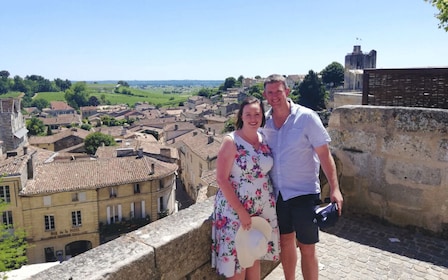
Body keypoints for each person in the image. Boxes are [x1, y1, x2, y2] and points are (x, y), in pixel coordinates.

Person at [262, 74, 344, 280]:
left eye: (278, 91)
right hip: (278, 194)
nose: (274, 96)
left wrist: (335, 188)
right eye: (270, 92)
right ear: (265, 95)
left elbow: (325, 155)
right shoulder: (265, 121)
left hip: (304, 193)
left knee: (307, 248)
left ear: (287, 92)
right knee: (286, 243)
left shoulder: (306, 118)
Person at [211, 96, 280, 280]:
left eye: (257, 114)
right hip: (236, 211)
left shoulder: (263, 138)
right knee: (238, 263)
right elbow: (221, 179)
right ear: (241, 116)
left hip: (260, 209)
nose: (253, 118)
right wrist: (241, 211)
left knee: (253, 257)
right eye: (248, 114)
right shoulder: (231, 142)